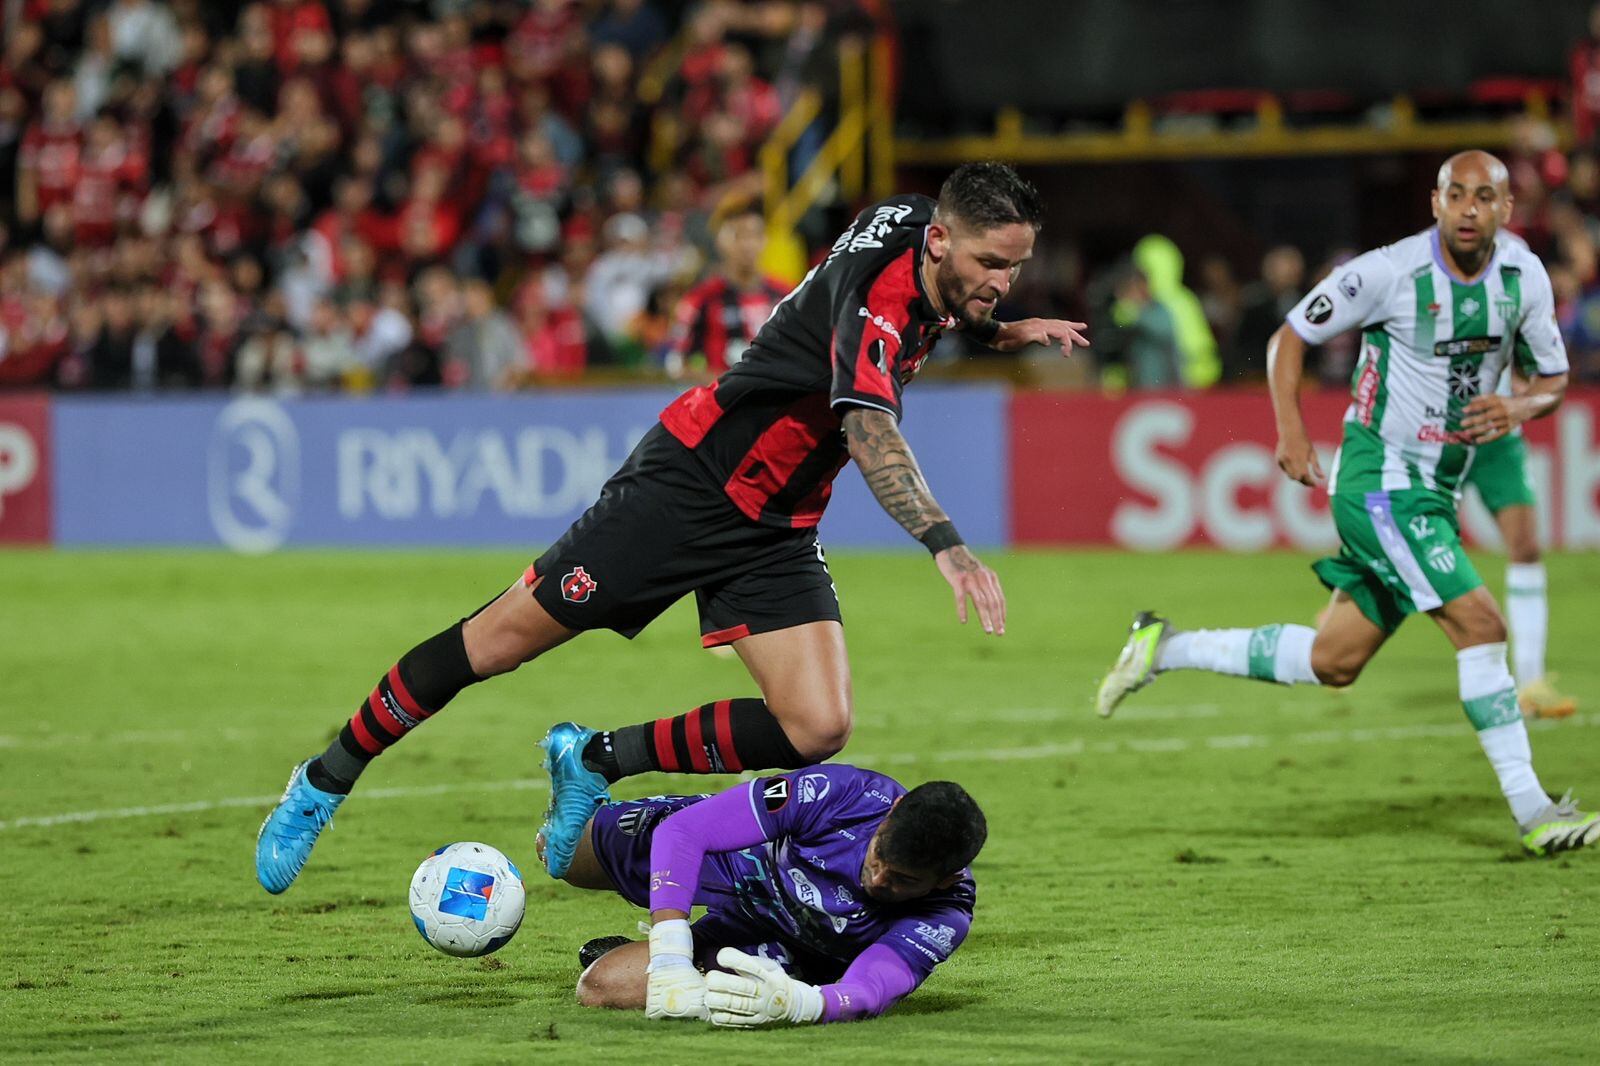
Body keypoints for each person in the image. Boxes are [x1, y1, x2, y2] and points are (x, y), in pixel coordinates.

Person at [255, 161, 1086, 893]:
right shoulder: (877, 298)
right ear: (940, 240)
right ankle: (324, 779)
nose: (1003, 281)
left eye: (1015, 268)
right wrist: (945, 542)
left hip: (776, 519)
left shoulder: (912, 221)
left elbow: (947, 311)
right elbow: (870, 431)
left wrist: (1005, 329)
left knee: (817, 726)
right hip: (690, 485)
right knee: (496, 643)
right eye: (991, 265)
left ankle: (594, 758)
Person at [1094, 151, 1598, 857]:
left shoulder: (1523, 278)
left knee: (1334, 660)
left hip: (1435, 492)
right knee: (1481, 625)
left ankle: (1163, 647)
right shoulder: (1387, 273)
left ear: (1507, 210)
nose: (1469, 209)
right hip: (1381, 483)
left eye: (1486, 197)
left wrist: (1516, 406)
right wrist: (1292, 429)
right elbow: (1289, 337)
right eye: (1457, 194)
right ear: (1435, 201)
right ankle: (1534, 810)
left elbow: (1552, 377)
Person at [558, 764, 983, 1025]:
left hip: (780, 944)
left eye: (901, 880)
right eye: (878, 856)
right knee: (566, 848)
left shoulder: (946, 913)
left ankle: (684, 954)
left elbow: (870, 990)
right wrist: (669, 952)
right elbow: (684, 830)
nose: (877, 879)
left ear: (943, 879)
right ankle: (671, 943)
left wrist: (805, 1004)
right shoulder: (846, 794)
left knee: (600, 986)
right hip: (745, 862)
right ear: (892, 813)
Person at [1462, 376, 1577, 719]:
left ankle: (1530, 683)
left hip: (1498, 440)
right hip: (1439, 435)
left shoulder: (1520, 318)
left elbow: (1543, 373)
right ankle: (1342, 641)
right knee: (1413, 552)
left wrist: (1522, 394)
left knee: (1526, 548)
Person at [662, 197, 789, 378]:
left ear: (765, 240)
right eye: (738, 235)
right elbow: (676, 366)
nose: (748, 245)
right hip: (726, 404)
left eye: (755, 235)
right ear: (720, 241)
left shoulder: (787, 296)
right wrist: (726, 385)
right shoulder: (701, 300)